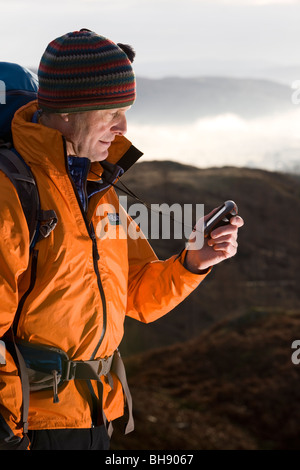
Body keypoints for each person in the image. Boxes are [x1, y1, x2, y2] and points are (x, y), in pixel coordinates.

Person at [0, 29, 244, 451]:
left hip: (98, 415)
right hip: (33, 426)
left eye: (125, 109)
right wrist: (9, 432)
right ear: (67, 111)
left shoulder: (99, 186)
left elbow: (135, 296)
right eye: (112, 110)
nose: (123, 126)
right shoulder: (13, 192)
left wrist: (191, 263)